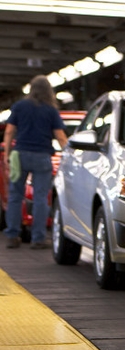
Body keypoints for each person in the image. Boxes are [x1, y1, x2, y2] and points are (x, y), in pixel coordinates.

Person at [3, 75, 68, 250]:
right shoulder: (51, 110)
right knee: (41, 198)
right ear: (49, 91)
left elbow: (9, 132)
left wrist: (6, 155)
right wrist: (70, 154)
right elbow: (60, 136)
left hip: (20, 155)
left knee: (15, 196)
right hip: (42, 156)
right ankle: (38, 238)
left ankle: (12, 235)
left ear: (31, 89)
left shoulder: (19, 106)